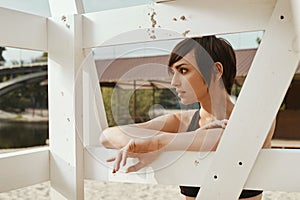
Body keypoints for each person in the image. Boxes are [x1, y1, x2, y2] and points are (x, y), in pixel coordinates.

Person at [100, 35, 275, 200]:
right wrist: (154, 143)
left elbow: (229, 139)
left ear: (216, 70)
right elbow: (108, 136)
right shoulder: (182, 121)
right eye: (173, 73)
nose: (174, 82)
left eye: (183, 70)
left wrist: (159, 142)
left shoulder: (258, 118)